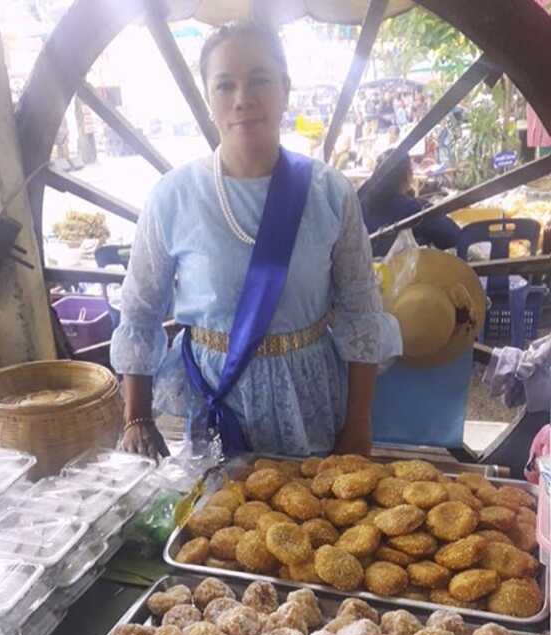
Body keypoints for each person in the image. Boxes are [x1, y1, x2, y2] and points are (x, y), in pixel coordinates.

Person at [110, 22, 401, 459]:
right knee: (219, 503)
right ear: (209, 98)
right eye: (225, 85)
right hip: (217, 399)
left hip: (310, 404)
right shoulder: (173, 197)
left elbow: (361, 312)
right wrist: (137, 417)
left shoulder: (329, 193)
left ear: (285, 88)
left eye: (259, 80)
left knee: (313, 503)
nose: (242, 98)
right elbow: (140, 310)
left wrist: (359, 424)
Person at [361, 150, 460, 258]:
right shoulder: (413, 208)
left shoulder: (361, 204)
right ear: (407, 175)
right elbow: (452, 236)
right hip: (398, 266)